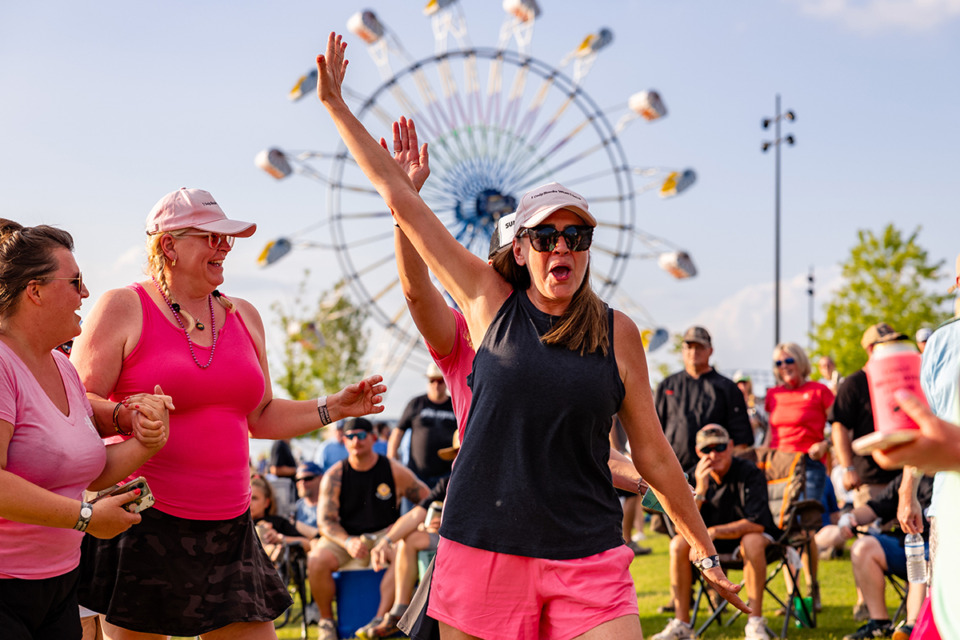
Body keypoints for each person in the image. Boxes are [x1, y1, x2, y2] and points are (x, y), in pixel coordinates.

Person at [315, 33, 748, 640]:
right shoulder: (489, 305)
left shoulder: (618, 332)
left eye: (577, 237)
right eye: (546, 237)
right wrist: (337, 107)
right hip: (485, 546)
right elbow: (399, 206)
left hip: (588, 551)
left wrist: (699, 545)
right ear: (520, 248)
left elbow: (650, 451)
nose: (562, 247)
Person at [70, 187, 387, 640]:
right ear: (168, 246)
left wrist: (332, 407)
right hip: (142, 519)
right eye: (211, 237)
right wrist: (126, 415)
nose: (225, 247)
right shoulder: (123, 305)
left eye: (227, 238)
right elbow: (79, 402)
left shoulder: (245, 316)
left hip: (231, 525)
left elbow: (260, 416)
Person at [0, 219, 171, 639]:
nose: (86, 293)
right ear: (34, 291)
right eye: (75, 281)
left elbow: (85, 469)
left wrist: (147, 440)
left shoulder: (62, 365)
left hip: (58, 585)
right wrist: (86, 516)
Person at [308, 417, 430, 640]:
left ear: (373, 438)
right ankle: (327, 623)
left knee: (404, 551)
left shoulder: (393, 470)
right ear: (343, 441)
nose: (356, 441)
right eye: (350, 436)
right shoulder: (335, 475)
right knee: (316, 560)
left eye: (361, 435)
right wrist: (347, 541)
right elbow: (325, 522)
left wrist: (408, 525)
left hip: (385, 534)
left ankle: (384, 620)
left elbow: (427, 500)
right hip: (346, 537)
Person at [653, 426, 779, 640]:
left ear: (730, 446)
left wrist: (712, 532)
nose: (714, 454)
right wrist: (700, 490)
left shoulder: (749, 472)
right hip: (711, 547)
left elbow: (757, 524)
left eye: (720, 447)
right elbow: (679, 527)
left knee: (752, 541)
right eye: (707, 449)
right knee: (677, 544)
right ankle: (682, 624)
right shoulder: (692, 476)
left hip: (748, 543)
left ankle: (755, 624)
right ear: (698, 452)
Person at [764, 341, 834, 611]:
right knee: (784, 529)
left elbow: (836, 426)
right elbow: (771, 434)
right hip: (779, 468)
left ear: (801, 361)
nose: (784, 367)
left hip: (809, 464)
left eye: (789, 361)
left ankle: (811, 586)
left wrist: (825, 444)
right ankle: (794, 596)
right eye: (779, 363)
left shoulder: (820, 391)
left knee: (805, 529)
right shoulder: (773, 394)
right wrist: (764, 459)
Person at [826, 472, 933, 640]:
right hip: (905, 545)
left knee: (923, 559)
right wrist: (849, 517)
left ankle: (913, 625)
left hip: (941, 550)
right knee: (864, 547)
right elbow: (874, 507)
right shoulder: (911, 478)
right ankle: (879, 622)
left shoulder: (951, 477)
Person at [656, 326, 753, 474]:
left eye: (700, 347)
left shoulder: (727, 388)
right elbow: (653, 431)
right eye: (689, 347)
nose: (694, 352)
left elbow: (741, 443)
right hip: (673, 474)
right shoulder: (667, 386)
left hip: (715, 476)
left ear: (710, 351)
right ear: (682, 350)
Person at [830, 324, 906, 509]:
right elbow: (839, 427)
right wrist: (848, 469)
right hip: (871, 479)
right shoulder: (854, 383)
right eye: (888, 344)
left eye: (895, 343)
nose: (894, 348)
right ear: (871, 348)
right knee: (872, 535)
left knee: (907, 536)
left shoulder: (898, 377)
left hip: (903, 475)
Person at [388, 362, 457, 487]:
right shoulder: (416, 403)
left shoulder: (455, 405)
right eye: (432, 381)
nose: (436, 385)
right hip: (416, 475)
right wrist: (392, 459)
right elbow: (398, 432)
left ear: (446, 381)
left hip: (447, 476)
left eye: (440, 381)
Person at [250, 474, 310, 563]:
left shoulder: (278, 522)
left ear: (266, 502)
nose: (249, 503)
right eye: (246, 498)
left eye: (254, 498)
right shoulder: (239, 524)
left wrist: (280, 539)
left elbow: (306, 544)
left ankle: (271, 552)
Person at [734, 370, 768, 448]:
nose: (742, 386)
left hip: (756, 446)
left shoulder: (757, 404)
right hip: (739, 447)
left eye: (745, 383)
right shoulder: (732, 407)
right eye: (739, 383)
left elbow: (767, 425)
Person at [293, 461, 323, 543]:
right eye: (298, 479)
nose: (302, 483)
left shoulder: (329, 504)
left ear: (320, 478)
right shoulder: (298, 506)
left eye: (308, 479)